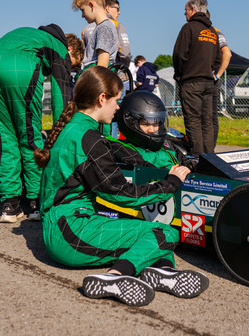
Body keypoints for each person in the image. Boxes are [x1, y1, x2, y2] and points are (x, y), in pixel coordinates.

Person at [33, 67, 208, 307]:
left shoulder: (74, 128)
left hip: (62, 226)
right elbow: (119, 193)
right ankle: (115, 276)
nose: (118, 107)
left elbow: (116, 151)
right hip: (70, 233)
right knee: (165, 233)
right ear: (102, 98)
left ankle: (163, 273)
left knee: (153, 235)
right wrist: (169, 184)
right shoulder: (88, 138)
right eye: (116, 100)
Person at [0, 23, 79, 223]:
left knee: (5, 140)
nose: (70, 67)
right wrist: (62, 131)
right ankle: (35, 204)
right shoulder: (59, 47)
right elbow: (59, 95)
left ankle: (10, 206)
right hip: (18, 68)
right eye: (73, 64)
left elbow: (48, 96)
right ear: (70, 50)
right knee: (29, 138)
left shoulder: (31, 36)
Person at [173, 0, 221, 156]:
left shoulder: (189, 28)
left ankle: (198, 159)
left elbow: (179, 55)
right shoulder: (213, 32)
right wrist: (208, 69)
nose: (184, 13)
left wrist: (180, 74)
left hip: (191, 82)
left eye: (186, 10)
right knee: (207, 121)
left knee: (193, 121)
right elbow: (218, 59)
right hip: (208, 83)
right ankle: (209, 157)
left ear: (193, 9)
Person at [74, 0, 119, 69]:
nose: (82, 15)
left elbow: (102, 66)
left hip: (95, 78)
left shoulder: (104, 28)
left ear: (91, 5)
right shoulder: (102, 27)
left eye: (83, 10)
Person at [81, 0, 131, 68]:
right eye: (117, 8)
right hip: (111, 73)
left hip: (89, 72)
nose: (119, 12)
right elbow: (125, 53)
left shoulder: (85, 29)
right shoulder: (116, 25)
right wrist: (124, 70)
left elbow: (83, 54)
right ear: (107, 8)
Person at [206, 11, 232, 146]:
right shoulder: (216, 32)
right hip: (212, 79)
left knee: (206, 115)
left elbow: (227, 54)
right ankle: (211, 148)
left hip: (208, 80)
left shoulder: (214, 32)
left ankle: (206, 150)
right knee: (212, 115)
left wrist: (217, 75)